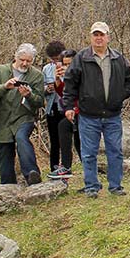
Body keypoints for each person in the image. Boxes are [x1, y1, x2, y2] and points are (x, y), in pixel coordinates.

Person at [63, 21, 130, 199]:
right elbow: (70, 83)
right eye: (95, 34)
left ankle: (116, 186)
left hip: (112, 114)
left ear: (108, 37)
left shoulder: (118, 58)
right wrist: (69, 106)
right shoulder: (81, 58)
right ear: (91, 37)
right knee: (89, 153)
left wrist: (119, 96)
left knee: (115, 151)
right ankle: (92, 186)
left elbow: (128, 80)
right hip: (88, 115)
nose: (99, 38)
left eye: (102, 34)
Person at [0, 43, 45, 185]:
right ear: (15, 56)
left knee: (21, 138)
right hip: (3, 119)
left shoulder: (36, 75)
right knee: (5, 152)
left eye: (29, 61)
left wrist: (30, 95)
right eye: (22, 60)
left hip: (24, 117)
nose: (25, 63)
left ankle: (32, 174)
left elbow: (40, 101)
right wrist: (5, 87)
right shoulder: (1, 71)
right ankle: (7, 185)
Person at [49, 49, 80, 179]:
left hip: (85, 112)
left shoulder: (82, 75)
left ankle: (67, 166)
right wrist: (57, 80)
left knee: (69, 130)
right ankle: (66, 166)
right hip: (74, 112)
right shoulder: (69, 78)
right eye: (65, 64)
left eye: (70, 64)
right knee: (67, 129)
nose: (67, 67)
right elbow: (65, 94)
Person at [42, 41, 67, 176]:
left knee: (66, 140)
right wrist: (48, 88)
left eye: (58, 59)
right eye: (53, 59)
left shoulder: (70, 67)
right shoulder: (46, 69)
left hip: (66, 108)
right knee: (54, 140)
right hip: (52, 107)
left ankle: (66, 166)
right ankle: (54, 167)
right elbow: (40, 88)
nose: (56, 62)